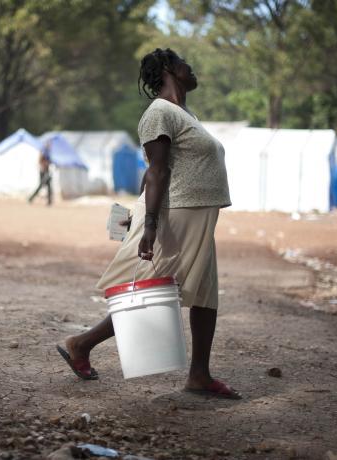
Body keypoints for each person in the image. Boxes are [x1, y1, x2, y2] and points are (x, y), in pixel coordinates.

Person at [56, 48, 241, 399]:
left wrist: (137, 207)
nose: (192, 68)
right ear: (171, 69)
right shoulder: (158, 112)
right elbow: (157, 170)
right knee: (149, 292)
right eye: (186, 63)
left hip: (197, 216)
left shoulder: (184, 114)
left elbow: (154, 169)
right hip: (175, 216)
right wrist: (150, 223)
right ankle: (81, 343)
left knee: (205, 294)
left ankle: (199, 375)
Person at [28, 140, 52, 206]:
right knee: (41, 186)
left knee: (49, 186)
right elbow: (40, 161)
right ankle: (31, 198)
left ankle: (49, 201)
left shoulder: (48, 152)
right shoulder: (44, 151)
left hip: (47, 171)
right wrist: (45, 165)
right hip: (43, 171)